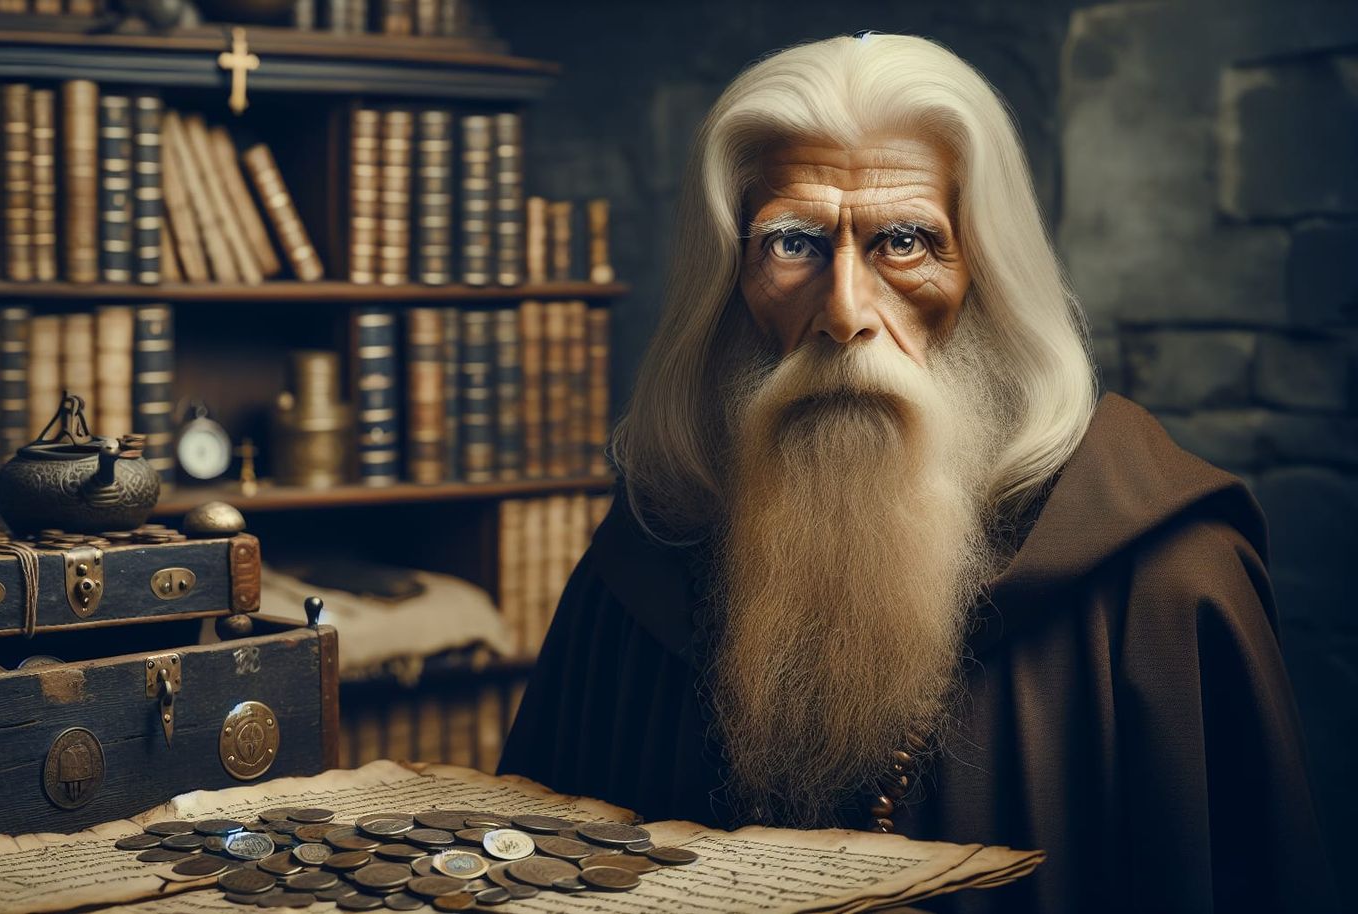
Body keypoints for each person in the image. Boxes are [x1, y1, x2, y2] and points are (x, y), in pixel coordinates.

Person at [497, 33, 1335, 913]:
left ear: (983, 269)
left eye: (903, 240)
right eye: (792, 242)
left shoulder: (1167, 581)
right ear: (731, 276)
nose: (846, 311)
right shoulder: (651, 551)